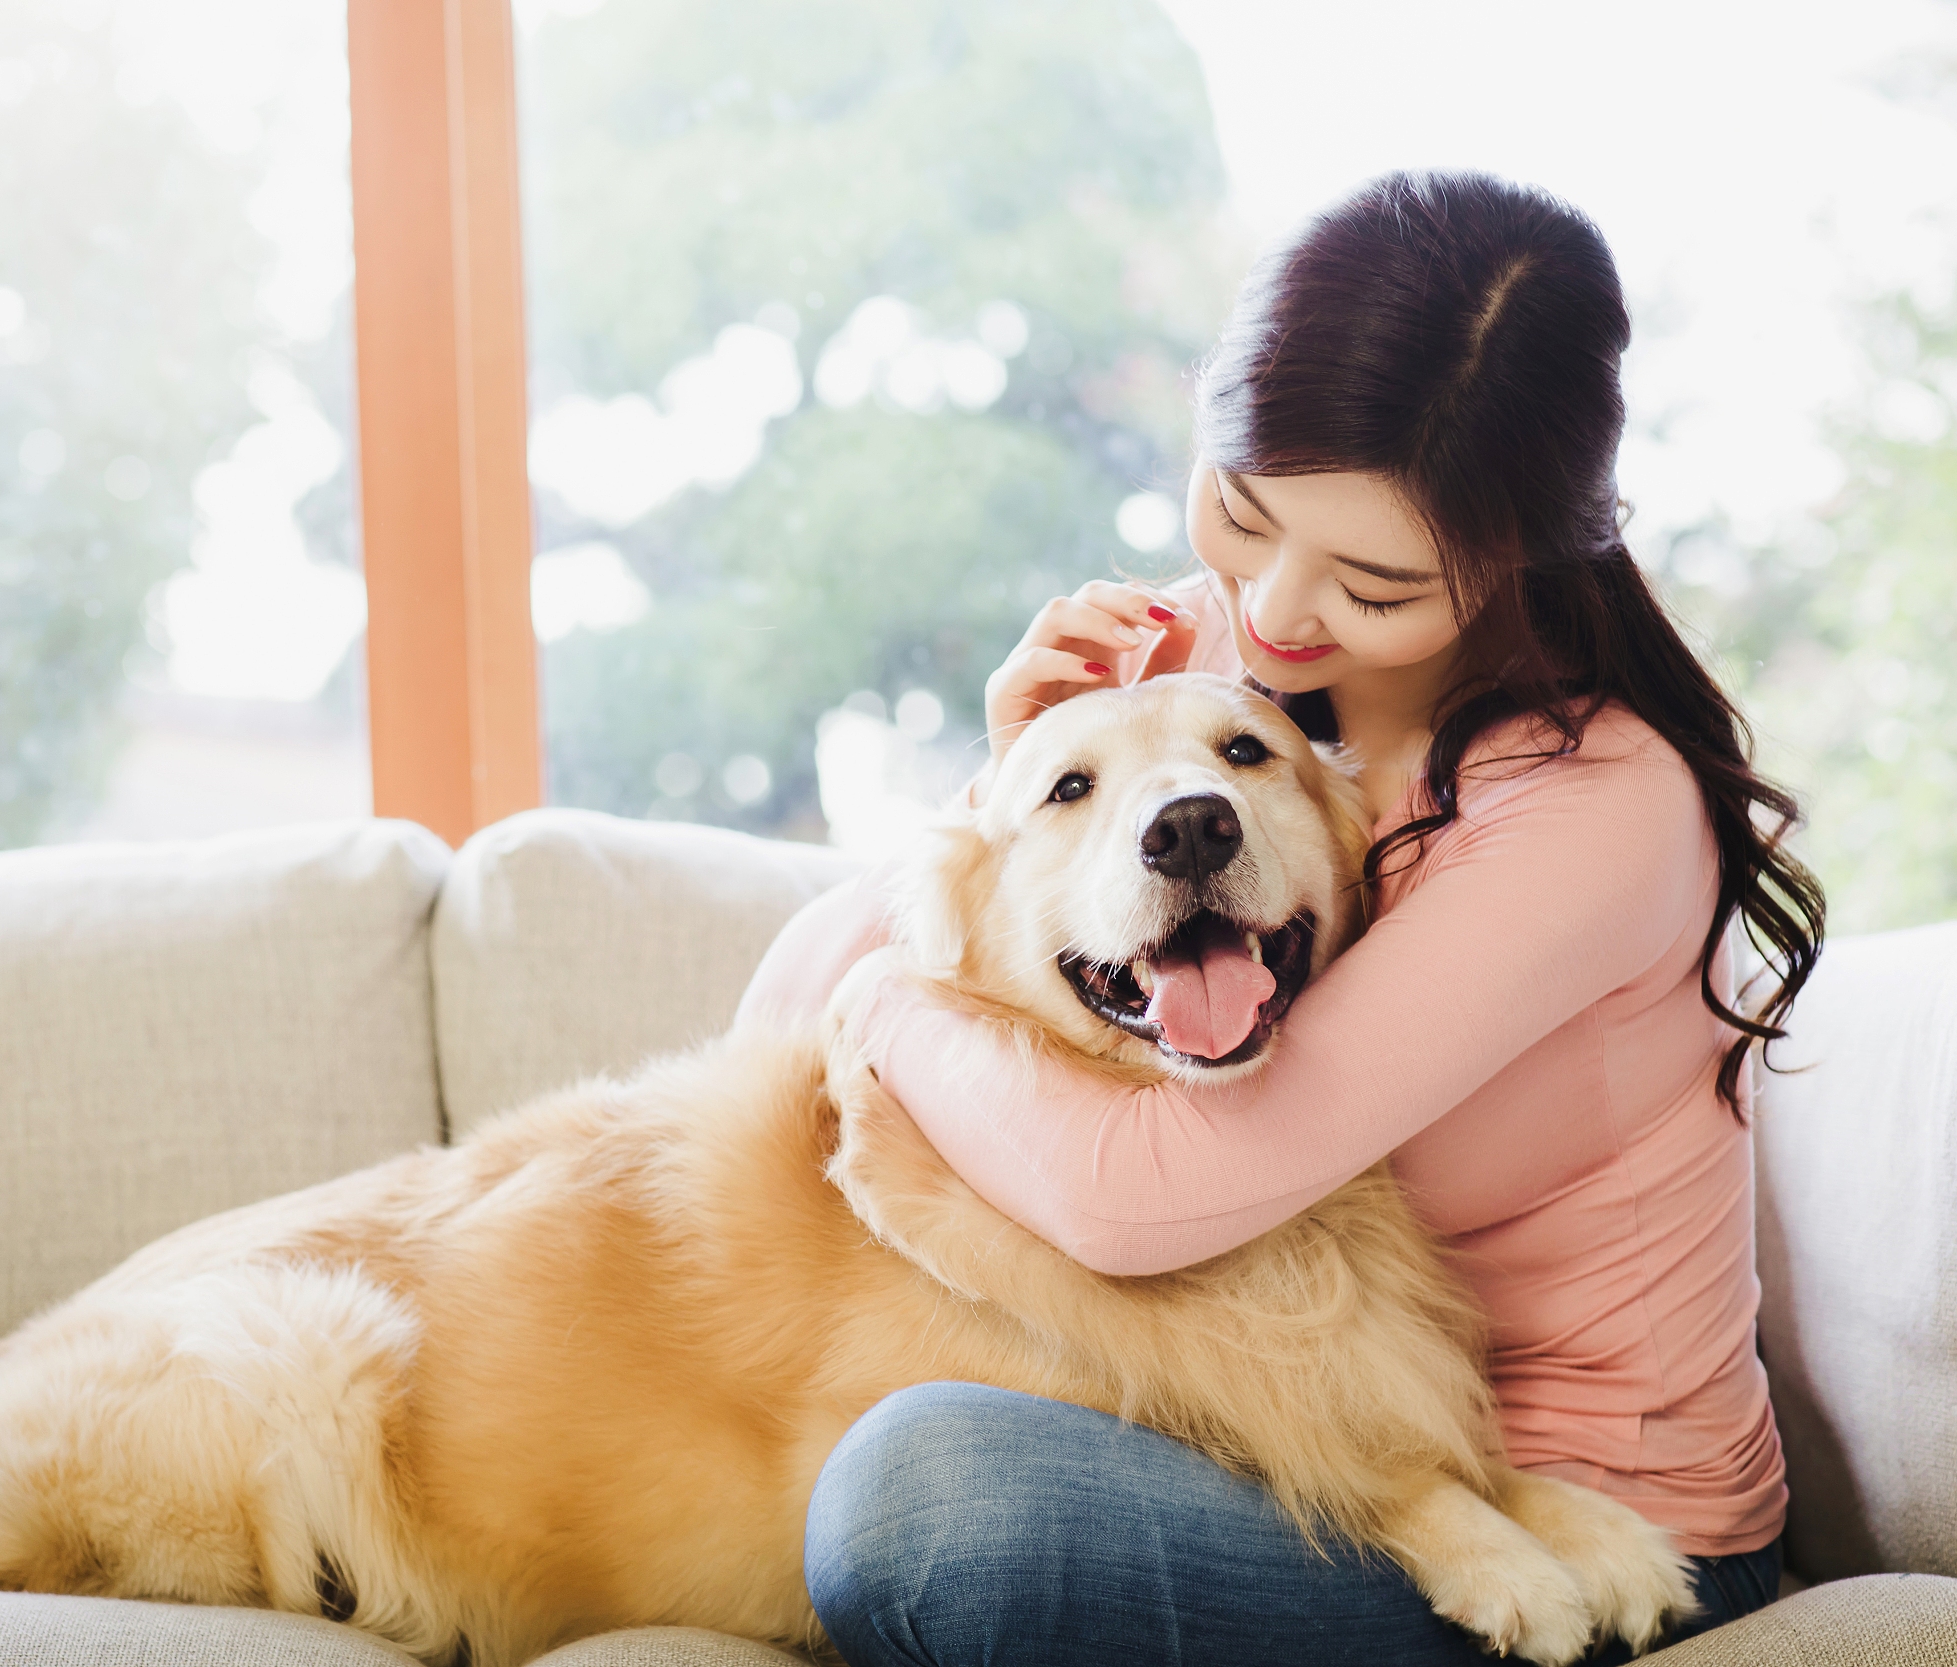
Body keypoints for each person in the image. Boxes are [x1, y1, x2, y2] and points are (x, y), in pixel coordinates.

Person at [738, 171, 1827, 1665]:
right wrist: (1005, 798)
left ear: (1523, 557)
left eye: (1374, 584)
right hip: (1259, 1440)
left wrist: (892, 1004)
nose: (1274, 614)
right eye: (1243, 517)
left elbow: (1139, 1197)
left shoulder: (1592, 805)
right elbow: (771, 1035)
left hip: (1574, 1538)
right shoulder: (1195, 660)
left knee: (921, 1498)